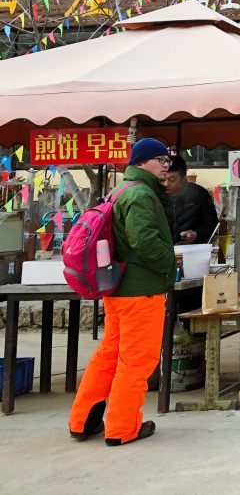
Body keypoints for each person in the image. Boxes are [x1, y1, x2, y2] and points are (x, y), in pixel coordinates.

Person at [68, 138, 175, 446]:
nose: (166, 166)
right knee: (136, 362)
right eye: (160, 160)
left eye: (167, 161)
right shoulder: (141, 194)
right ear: (141, 162)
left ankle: (83, 421)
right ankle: (122, 428)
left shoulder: (120, 190)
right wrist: (170, 261)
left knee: (109, 356)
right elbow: (143, 240)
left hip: (117, 290)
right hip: (141, 291)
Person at [161, 153, 219, 245]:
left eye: (172, 180)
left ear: (183, 178)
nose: (166, 184)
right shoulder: (155, 195)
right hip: (163, 251)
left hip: (192, 250)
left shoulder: (199, 194)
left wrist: (196, 235)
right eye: (163, 179)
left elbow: (212, 224)